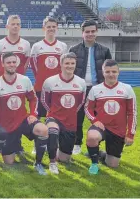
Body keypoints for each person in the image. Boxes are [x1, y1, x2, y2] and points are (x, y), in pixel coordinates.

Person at [0, 52, 49, 175]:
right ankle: (14, 146)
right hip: (7, 125)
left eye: (13, 62)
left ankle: (38, 163)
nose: (11, 64)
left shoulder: (24, 80)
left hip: (23, 119)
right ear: (3, 64)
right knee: (9, 162)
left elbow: (33, 99)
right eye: (8, 62)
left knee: (43, 129)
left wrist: (33, 113)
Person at [84, 59, 137, 174]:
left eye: (114, 71)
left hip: (118, 130)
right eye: (107, 72)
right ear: (103, 73)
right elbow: (87, 108)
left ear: (118, 72)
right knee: (92, 137)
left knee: (112, 164)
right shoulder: (95, 89)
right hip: (101, 126)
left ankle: (100, 154)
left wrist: (130, 134)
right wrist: (94, 120)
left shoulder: (127, 89)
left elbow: (132, 112)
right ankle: (94, 163)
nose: (111, 74)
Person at [69, 19, 112, 155]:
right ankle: (77, 143)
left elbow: (110, 70)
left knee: (99, 118)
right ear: (82, 33)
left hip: (98, 90)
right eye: (87, 32)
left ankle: (97, 144)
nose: (90, 34)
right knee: (77, 118)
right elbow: (69, 71)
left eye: (93, 31)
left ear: (97, 32)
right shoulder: (73, 50)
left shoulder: (105, 50)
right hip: (79, 89)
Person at [41, 52, 86, 174]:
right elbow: (44, 101)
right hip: (54, 118)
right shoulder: (50, 81)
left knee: (65, 159)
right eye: (67, 63)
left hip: (70, 121)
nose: (69, 66)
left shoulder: (81, 83)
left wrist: (71, 113)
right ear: (61, 64)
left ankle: (51, 148)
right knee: (52, 131)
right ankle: (52, 163)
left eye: (72, 63)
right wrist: (52, 112)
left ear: (75, 65)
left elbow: (81, 102)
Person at [30, 17, 68, 119]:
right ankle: (38, 135)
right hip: (40, 87)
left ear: (57, 28)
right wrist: (41, 79)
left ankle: (54, 134)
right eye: (49, 26)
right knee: (37, 116)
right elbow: (34, 67)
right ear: (44, 28)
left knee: (56, 116)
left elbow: (64, 67)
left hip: (57, 87)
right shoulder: (37, 46)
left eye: (53, 26)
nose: (51, 29)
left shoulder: (63, 46)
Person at [0, 15, 31, 82]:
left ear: (20, 27)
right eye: (13, 24)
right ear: (7, 27)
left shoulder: (26, 44)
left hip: (19, 82)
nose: (15, 26)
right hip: (2, 82)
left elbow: (25, 65)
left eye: (18, 24)